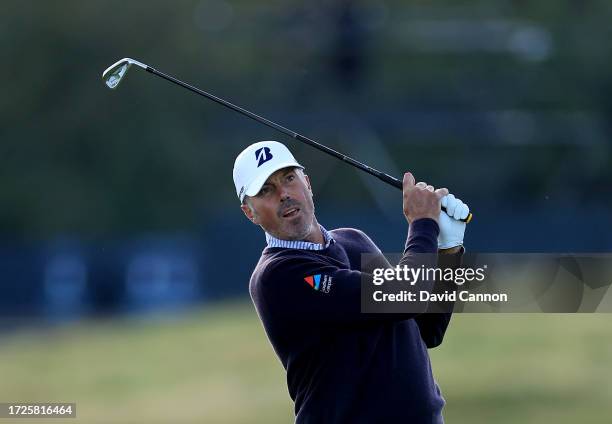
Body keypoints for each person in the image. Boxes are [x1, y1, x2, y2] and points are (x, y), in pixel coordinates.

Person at [233, 140, 470, 424]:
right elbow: (406, 296)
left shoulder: (354, 240)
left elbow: (426, 329)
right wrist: (422, 224)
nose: (284, 194)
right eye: (267, 190)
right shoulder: (278, 275)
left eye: (289, 178)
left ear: (307, 183)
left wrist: (448, 250)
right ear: (250, 212)